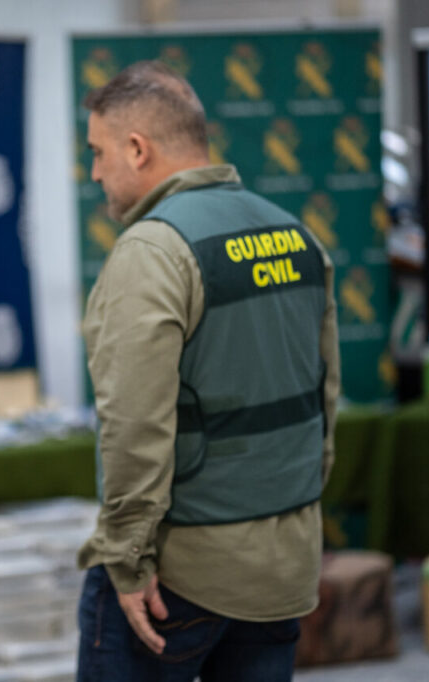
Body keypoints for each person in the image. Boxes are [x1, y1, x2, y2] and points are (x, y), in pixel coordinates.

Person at [75, 60, 340, 682]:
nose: (95, 173)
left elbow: (134, 425)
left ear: (137, 149)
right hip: (283, 569)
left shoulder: (153, 251)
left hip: (179, 578)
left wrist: (127, 559)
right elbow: (323, 403)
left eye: (98, 152)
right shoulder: (295, 235)